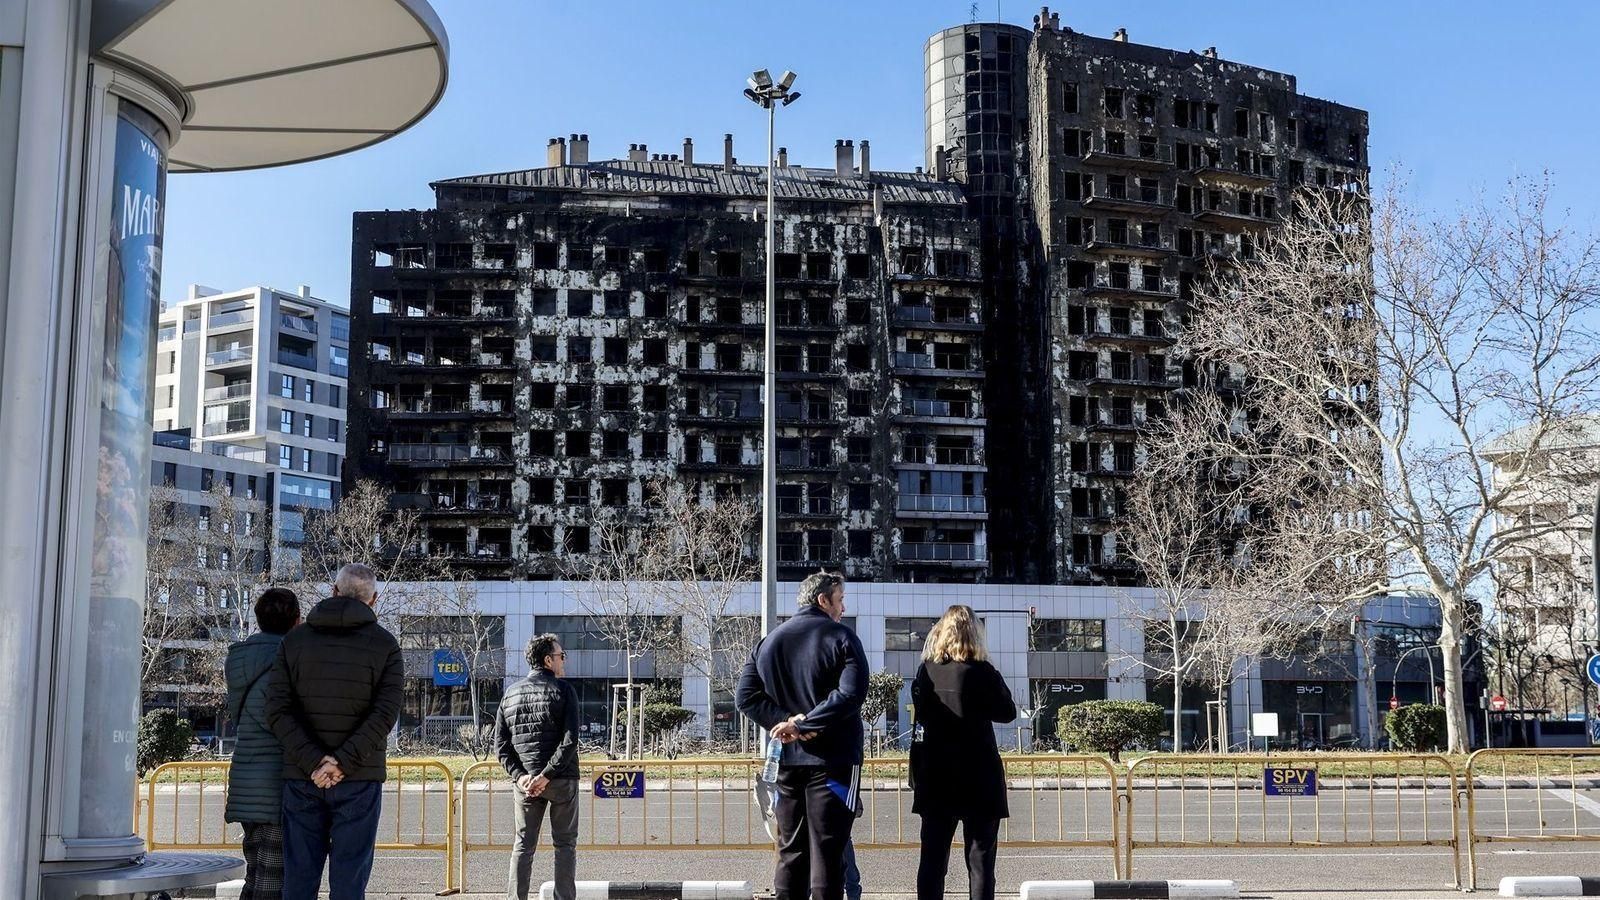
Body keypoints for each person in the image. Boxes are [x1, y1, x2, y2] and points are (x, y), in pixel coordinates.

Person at [265, 563, 404, 900]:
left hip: (302, 776)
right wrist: (340, 763)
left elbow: (277, 709)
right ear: (373, 599)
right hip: (359, 777)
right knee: (349, 881)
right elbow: (384, 716)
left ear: (333, 590)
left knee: (298, 879)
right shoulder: (386, 645)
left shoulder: (295, 641)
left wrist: (314, 762)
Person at [736, 570, 869, 900]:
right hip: (834, 762)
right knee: (828, 850)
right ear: (823, 600)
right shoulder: (842, 637)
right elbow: (852, 694)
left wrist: (788, 723)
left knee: (790, 849)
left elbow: (746, 697)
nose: (842, 608)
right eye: (840, 601)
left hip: (787, 762)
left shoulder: (769, 641)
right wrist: (804, 725)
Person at [910, 605, 1016, 900]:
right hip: (980, 778)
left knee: (932, 861)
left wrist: (915, 773)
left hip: (936, 777)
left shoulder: (927, 671)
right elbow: (1007, 712)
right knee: (980, 863)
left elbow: (920, 724)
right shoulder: (984, 672)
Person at [224, 588, 301, 900]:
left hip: (244, 777)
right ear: (297, 621)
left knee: (255, 876)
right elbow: (279, 721)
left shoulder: (239, 660)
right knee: (271, 882)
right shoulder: (288, 663)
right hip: (276, 784)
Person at [494, 633, 580, 900]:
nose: (563, 661)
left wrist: (521, 777)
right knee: (564, 845)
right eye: (560, 656)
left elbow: (500, 746)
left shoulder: (510, 694)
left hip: (525, 786)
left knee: (523, 846)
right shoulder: (564, 691)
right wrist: (547, 774)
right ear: (547, 660)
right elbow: (570, 740)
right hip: (561, 779)